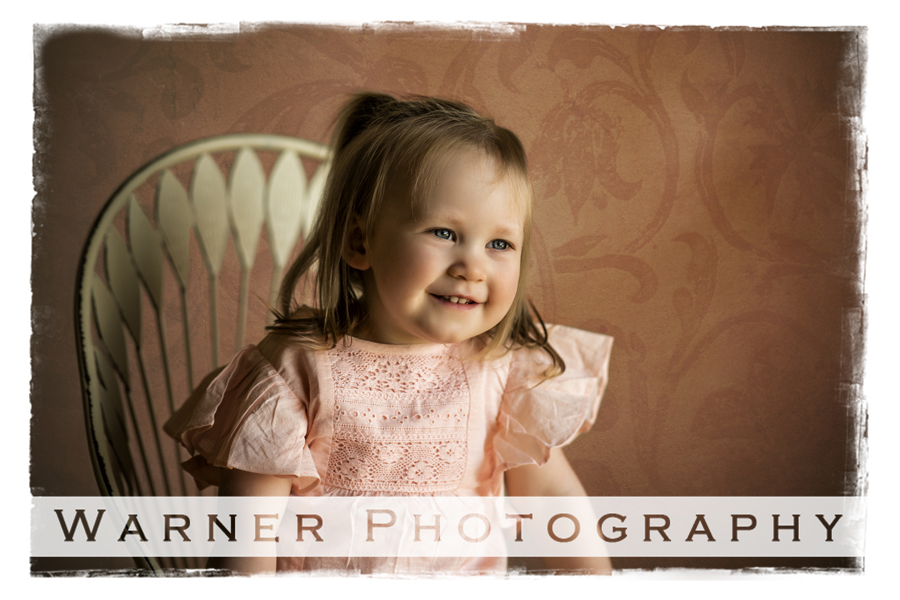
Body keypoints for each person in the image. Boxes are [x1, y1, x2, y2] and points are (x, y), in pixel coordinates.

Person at [164, 93, 613, 575]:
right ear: (361, 242)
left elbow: (552, 497)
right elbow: (247, 538)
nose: (472, 266)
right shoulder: (296, 368)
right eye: (444, 232)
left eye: (500, 243)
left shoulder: (503, 368)